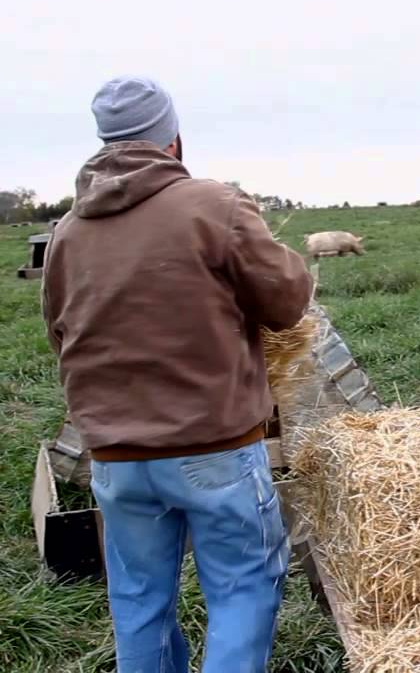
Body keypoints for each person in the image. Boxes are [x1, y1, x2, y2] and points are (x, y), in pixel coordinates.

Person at [41, 75, 313, 673]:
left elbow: (59, 331)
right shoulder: (215, 206)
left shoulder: (66, 232)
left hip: (115, 458)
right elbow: (288, 302)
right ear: (174, 141)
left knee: (138, 600)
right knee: (243, 588)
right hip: (213, 450)